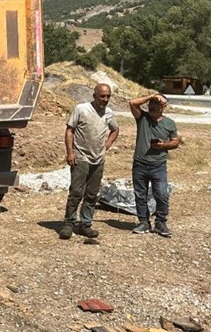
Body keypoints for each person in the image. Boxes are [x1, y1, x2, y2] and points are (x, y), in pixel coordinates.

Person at [60, 84, 120, 240]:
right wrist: (70, 152)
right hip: (80, 157)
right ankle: (69, 223)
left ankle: (85, 224)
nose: (105, 99)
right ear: (94, 96)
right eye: (102, 96)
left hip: (98, 160)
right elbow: (69, 130)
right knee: (76, 192)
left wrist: (107, 144)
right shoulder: (81, 109)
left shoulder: (109, 113)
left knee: (92, 194)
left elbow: (115, 129)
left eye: (108, 96)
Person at [128, 93, 180, 237]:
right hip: (140, 164)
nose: (151, 106)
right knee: (140, 195)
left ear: (163, 106)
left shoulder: (169, 123)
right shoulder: (142, 118)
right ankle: (143, 222)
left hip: (158, 166)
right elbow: (132, 103)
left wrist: (164, 145)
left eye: (155, 104)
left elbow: (175, 142)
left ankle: (160, 223)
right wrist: (152, 95)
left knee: (162, 194)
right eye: (150, 104)